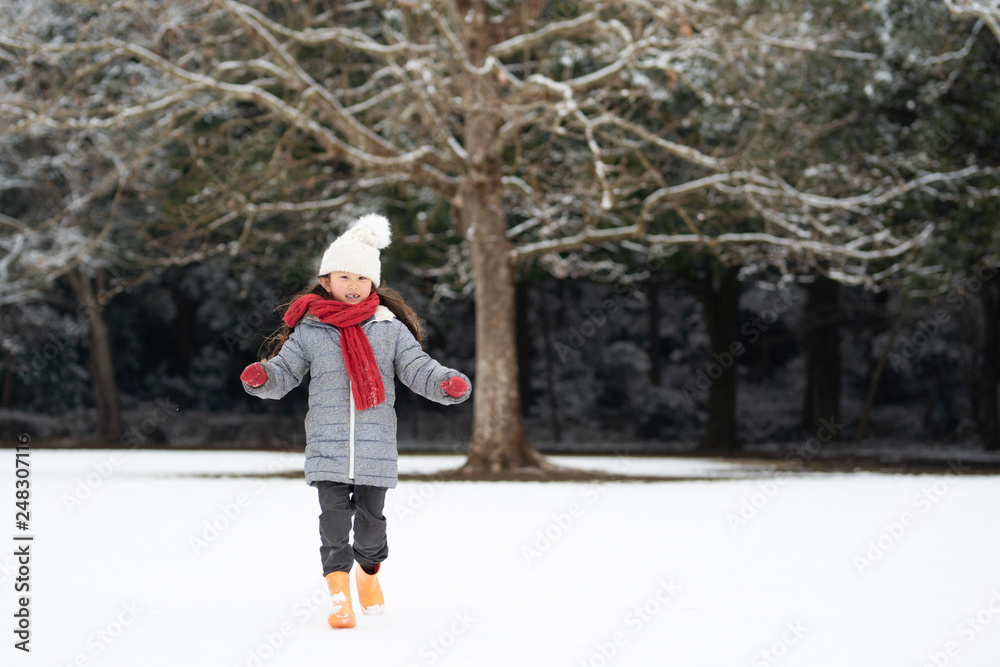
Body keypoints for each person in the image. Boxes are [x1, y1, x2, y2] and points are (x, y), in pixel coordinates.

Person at [239, 213, 471, 629]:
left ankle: (368, 573)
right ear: (326, 281)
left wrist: (445, 383)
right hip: (327, 446)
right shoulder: (310, 330)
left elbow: (418, 368)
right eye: (343, 277)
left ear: (373, 285)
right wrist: (263, 377)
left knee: (369, 528)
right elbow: (285, 371)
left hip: (374, 446)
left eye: (361, 279)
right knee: (332, 524)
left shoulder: (389, 329)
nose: (352, 286)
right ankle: (338, 599)